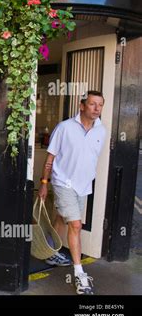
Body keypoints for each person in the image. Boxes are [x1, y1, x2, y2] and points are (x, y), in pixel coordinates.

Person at [38, 91, 106, 295]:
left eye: (100, 105)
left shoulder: (101, 131)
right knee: (76, 225)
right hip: (63, 182)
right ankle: (80, 275)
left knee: (63, 217)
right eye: (93, 104)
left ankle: (51, 251)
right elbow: (51, 158)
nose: (97, 108)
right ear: (82, 105)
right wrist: (44, 183)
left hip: (83, 186)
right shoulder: (65, 128)